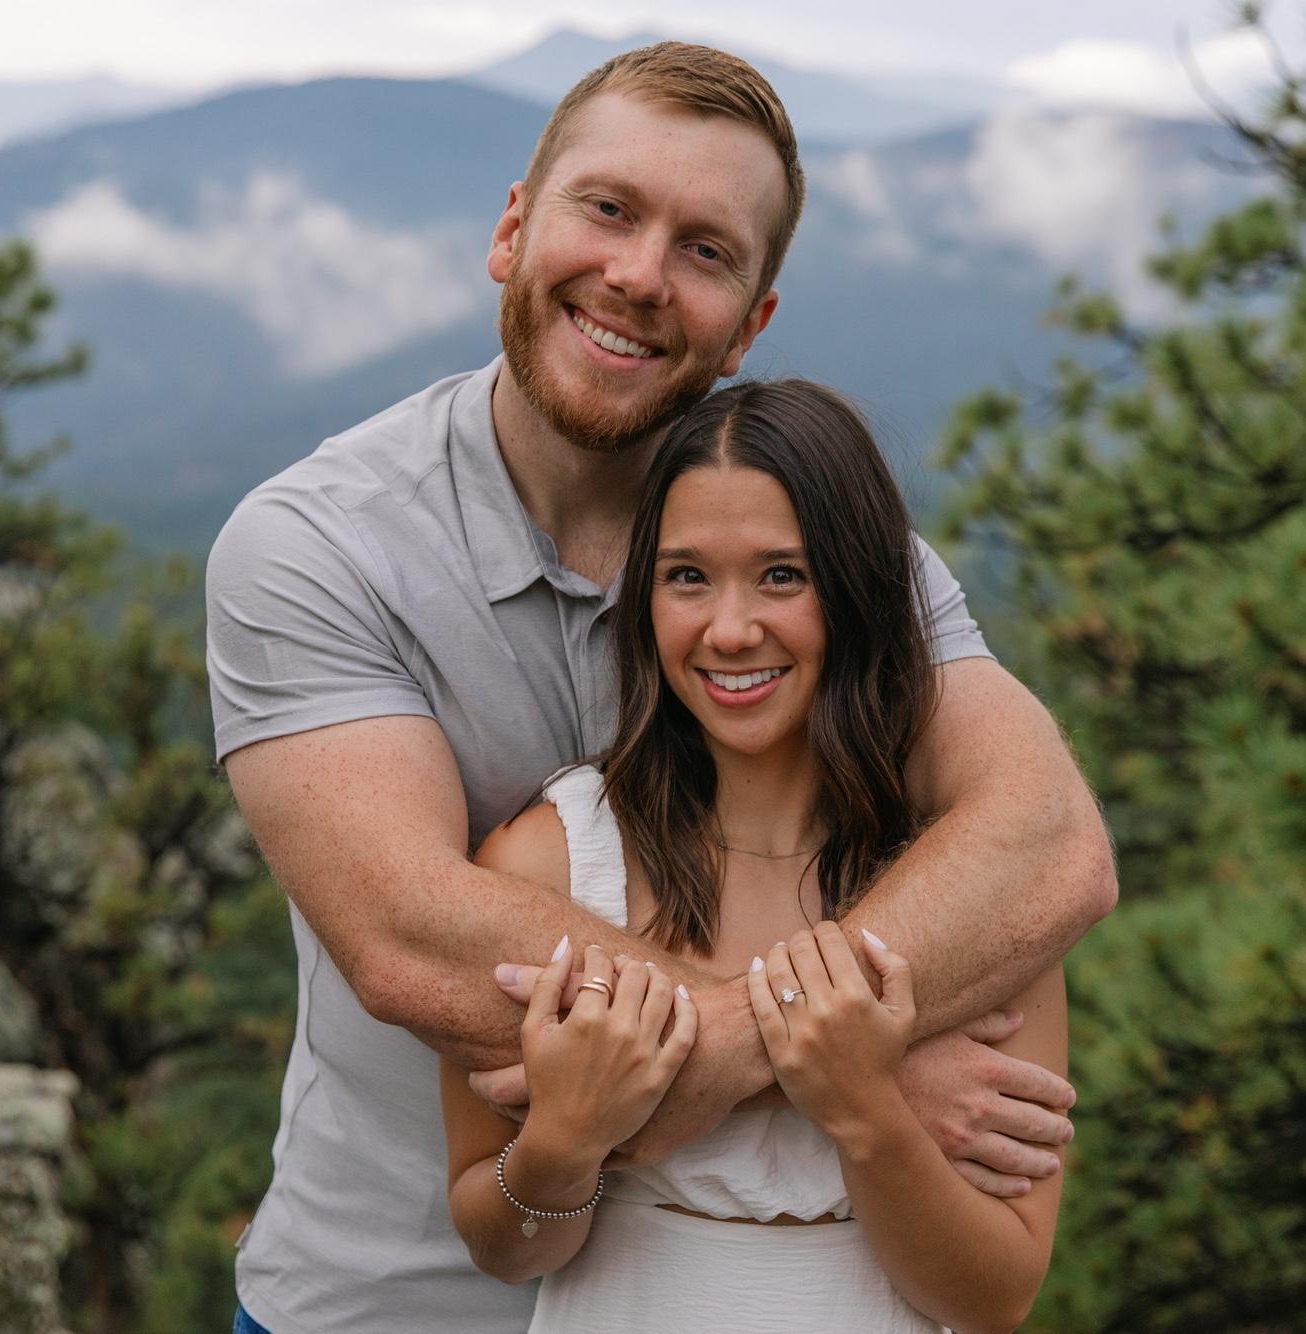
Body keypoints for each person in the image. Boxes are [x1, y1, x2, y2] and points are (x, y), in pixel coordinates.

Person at [206, 42, 1113, 1334]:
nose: (638, 274)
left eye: (704, 250)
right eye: (607, 208)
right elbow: (413, 941)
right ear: (513, 230)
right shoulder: (316, 547)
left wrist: (826, 1070)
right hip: (390, 1300)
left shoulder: (829, 549)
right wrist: (834, 1064)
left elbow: (1049, 843)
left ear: (748, 323)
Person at [439, 380, 1066, 1332]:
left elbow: (996, 1297)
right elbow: (499, 1247)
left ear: (857, 589)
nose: (730, 631)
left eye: (782, 576)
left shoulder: (968, 891)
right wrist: (563, 1144)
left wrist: (864, 1108)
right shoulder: (550, 866)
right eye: (687, 577)